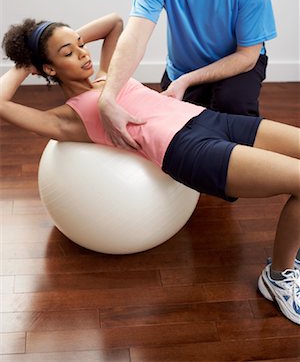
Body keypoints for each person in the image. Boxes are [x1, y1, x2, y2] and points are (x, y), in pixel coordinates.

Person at [0, 18, 299, 325]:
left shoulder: (109, 75)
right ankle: (278, 277)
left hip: (210, 119)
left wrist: (63, 42)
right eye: (68, 53)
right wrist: (27, 62)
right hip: (187, 150)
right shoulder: (68, 119)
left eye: (80, 44)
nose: (82, 53)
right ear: (49, 69)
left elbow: (113, 23)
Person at [98, 0, 277, 150]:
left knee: (233, 111)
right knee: (190, 139)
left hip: (238, 65)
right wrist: (108, 97)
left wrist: (186, 81)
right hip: (183, 70)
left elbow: (247, 56)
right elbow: (134, 36)